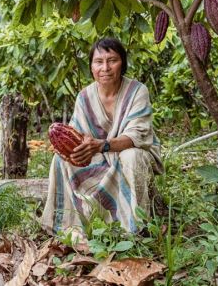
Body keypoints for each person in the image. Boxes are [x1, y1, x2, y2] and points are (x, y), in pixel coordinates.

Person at [42, 38, 163, 237]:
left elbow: (136, 137)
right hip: (99, 157)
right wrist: (65, 148)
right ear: (91, 67)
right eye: (99, 62)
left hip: (130, 155)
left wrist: (101, 146)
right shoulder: (84, 96)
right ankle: (71, 225)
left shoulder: (137, 91)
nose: (105, 67)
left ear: (122, 63)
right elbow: (77, 136)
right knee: (60, 160)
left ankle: (136, 228)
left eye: (112, 60)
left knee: (131, 155)